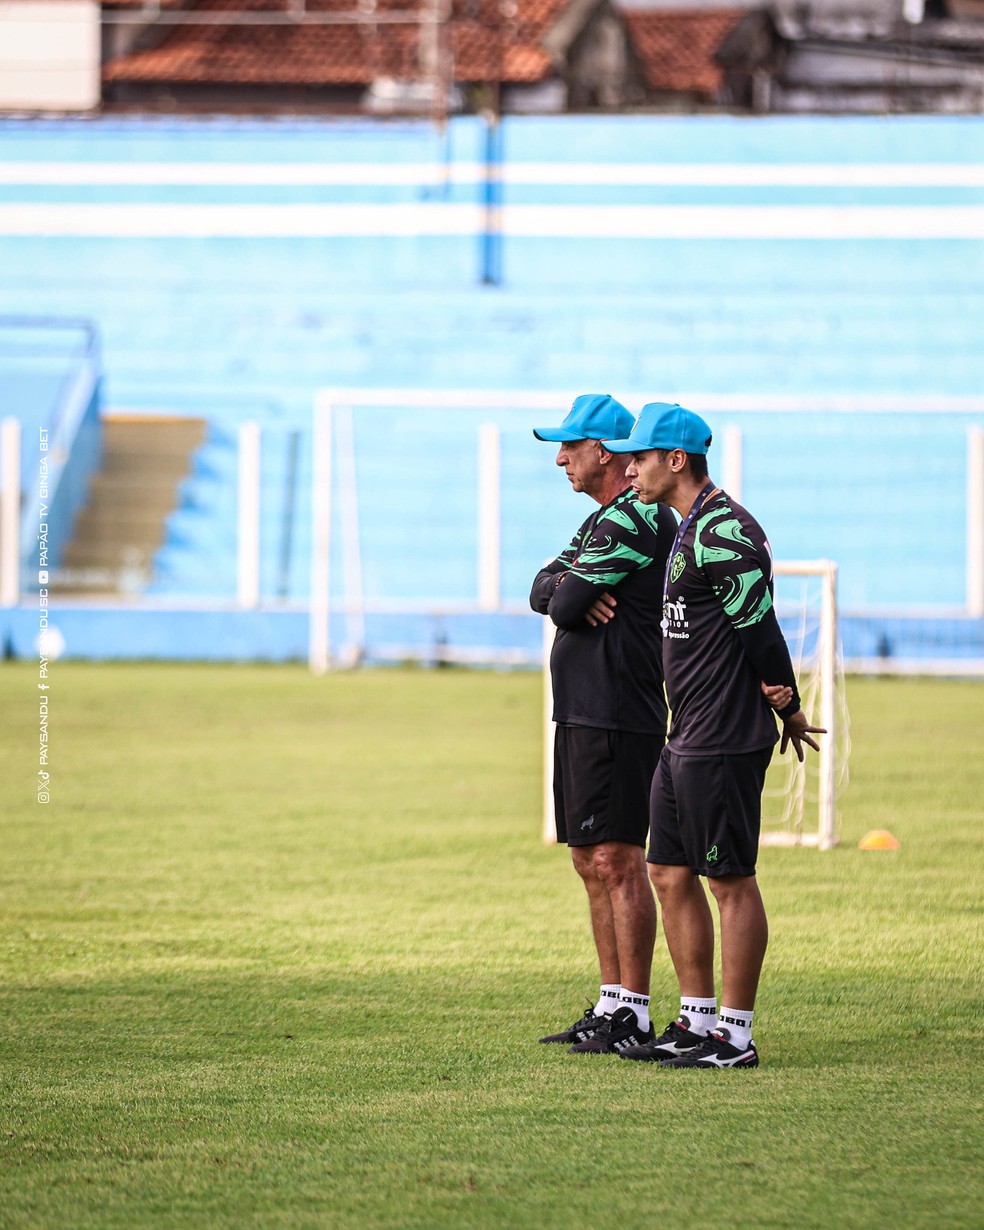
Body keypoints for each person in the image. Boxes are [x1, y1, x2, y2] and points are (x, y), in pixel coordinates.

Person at [601, 402, 825, 1069]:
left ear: (676, 460)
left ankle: (736, 1036)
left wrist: (786, 703)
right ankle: (697, 1020)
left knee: (729, 879)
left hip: (723, 734)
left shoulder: (726, 529)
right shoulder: (686, 527)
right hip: (687, 731)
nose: (630, 468)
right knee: (667, 871)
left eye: (639, 457)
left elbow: (761, 630)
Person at [530, 393, 678, 1055]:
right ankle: (613, 1001)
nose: (561, 457)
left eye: (571, 444)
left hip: (618, 711)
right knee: (588, 860)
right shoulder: (602, 522)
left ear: (607, 452)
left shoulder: (634, 519)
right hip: (586, 711)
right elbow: (543, 587)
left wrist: (567, 594)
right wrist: (564, 592)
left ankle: (635, 1010)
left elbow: (563, 604)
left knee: (618, 860)